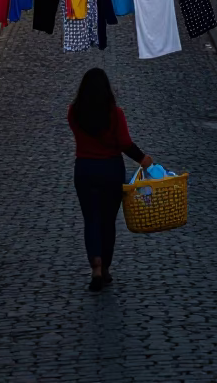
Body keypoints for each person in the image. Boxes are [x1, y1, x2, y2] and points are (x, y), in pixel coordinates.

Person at [68, 67, 152, 292]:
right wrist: (144, 160)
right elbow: (124, 143)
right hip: (111, 170)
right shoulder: (115, 114)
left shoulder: (74, 112)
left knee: (91, 219)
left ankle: (95, 266)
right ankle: (105, 266)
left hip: (85, 169)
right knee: (107, 221)